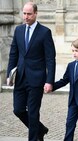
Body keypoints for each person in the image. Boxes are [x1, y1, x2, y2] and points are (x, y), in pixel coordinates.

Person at [6, 2, 56, 141]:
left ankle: (34, 138)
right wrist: (9, 74)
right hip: (20, 77)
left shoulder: (45, 32)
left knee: (33, 113)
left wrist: (49, 81)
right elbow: (13, 54)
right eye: (24, 13)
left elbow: (50, 59)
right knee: (18, 110)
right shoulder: (19, 30)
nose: (26, 17)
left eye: (29, 14)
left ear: (35, 14)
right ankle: (40, 129)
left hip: (36, 79)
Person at [48, 39, 78, 141]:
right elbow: (64, 80)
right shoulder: (71, 65)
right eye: (73, 51)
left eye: (77, 51)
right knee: (70, 124)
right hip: (73, 100)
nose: (74, 53)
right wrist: (52, 87)